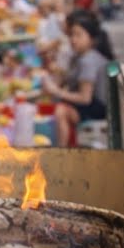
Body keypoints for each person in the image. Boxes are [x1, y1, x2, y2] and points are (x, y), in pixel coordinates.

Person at [42, 11, 112, 147]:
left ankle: (63, 152)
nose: (73, 39)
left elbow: (85, 98)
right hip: (90, 106)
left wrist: (55, 91)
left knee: (61, 110)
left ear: (91, 39)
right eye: (72, 35)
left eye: (79, 35)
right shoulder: (79, 57)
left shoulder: (88, 60)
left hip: (97, 109)